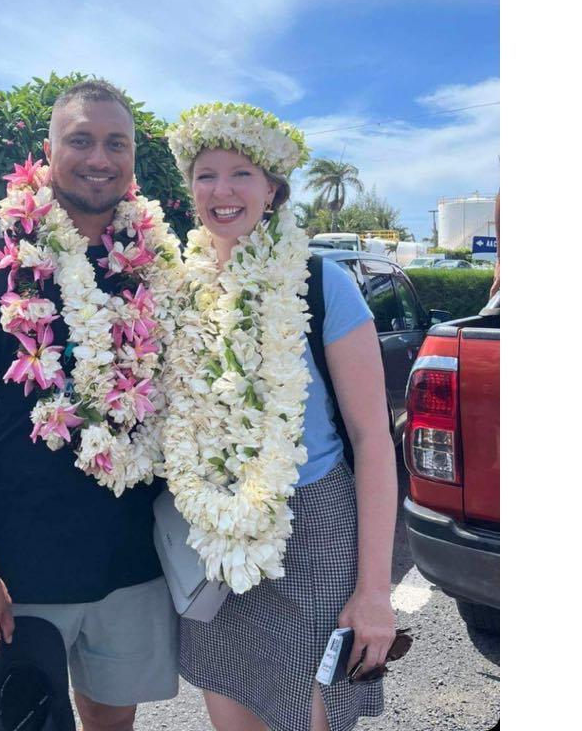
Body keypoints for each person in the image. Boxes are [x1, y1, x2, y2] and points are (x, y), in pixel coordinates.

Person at [0, 80, 181, 731]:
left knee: (113, 725)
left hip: (132, 567)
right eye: (81, 140)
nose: (100, 158)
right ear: (47, 152)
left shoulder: (149, 270)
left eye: (115, 143)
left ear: (132, 158)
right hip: (18, 577)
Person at [163, 103, 397, 731]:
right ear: (190, 191)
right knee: (230, 703)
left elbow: (376, 440)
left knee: (310, 714)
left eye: (241, 173)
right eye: (206, 174)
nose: (223, 190)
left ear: (273, 189)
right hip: (210, 534)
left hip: (315, 524)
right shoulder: (174, 288)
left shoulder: (324, 283)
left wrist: (375, 593)